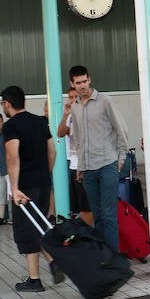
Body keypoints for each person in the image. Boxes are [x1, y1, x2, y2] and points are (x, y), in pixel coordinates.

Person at [1, 85, 64, 292]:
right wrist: (45, 173)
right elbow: (52, 151)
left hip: (25, 186)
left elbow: (12, 157)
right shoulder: (39, 121)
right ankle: (45, 268)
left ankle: (38, 276)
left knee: (26, 231)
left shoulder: (11, 126)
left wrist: (15, 187)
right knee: (38, 226)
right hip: (44, 183)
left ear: (8, 103)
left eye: (3, 103)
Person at [68, 65, 129, 251]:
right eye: (78, 83)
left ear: (90, 80)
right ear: (72, 84)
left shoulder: (105, 101)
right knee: (98, 215)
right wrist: (79, 165)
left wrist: (121, 157)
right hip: (87, 168)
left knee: (109, 214)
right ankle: (104, 257)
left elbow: (121, 129)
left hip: (107, 163)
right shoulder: (75, 107)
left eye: (85, 81)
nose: (82, 85)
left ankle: (113, 259)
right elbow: (77, 136)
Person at [57, 86, 93, 225]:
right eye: (70, 97)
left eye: (75, 97)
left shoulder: (86, 114)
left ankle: (88, 235)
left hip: (85, 166)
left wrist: (82, 166)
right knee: (78, 206)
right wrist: (66, 114)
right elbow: (60, 133)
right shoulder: (70, 115)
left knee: (87, 206)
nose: (72, 100)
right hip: (73, 165)